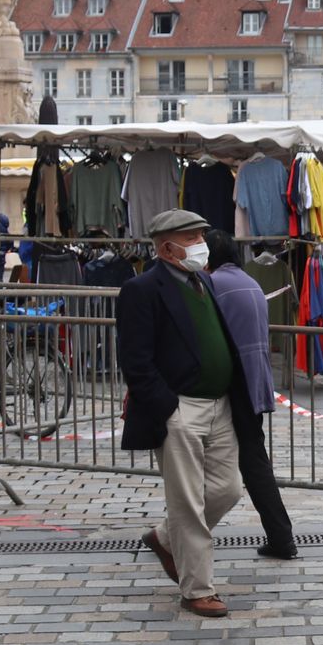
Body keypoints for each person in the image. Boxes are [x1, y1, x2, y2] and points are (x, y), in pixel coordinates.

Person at [117, 210, 252, 619]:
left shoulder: (203, 281)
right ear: (166, 247)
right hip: (180, 408)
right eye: (193, 238)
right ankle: (198, 589)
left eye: (201, 236)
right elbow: (135, 359)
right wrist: (166, 407)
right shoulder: (142, 289)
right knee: (188, 502)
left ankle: (163, 538)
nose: (201, 244)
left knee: (227, 489)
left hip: (220, 405)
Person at [205, 230, 295, 561]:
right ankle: (281, 536)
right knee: (254, 460)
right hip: (253, 379)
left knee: (221, 462)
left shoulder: (215, 285)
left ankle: (179, 535)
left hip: (233, 381)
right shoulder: (247, 281)